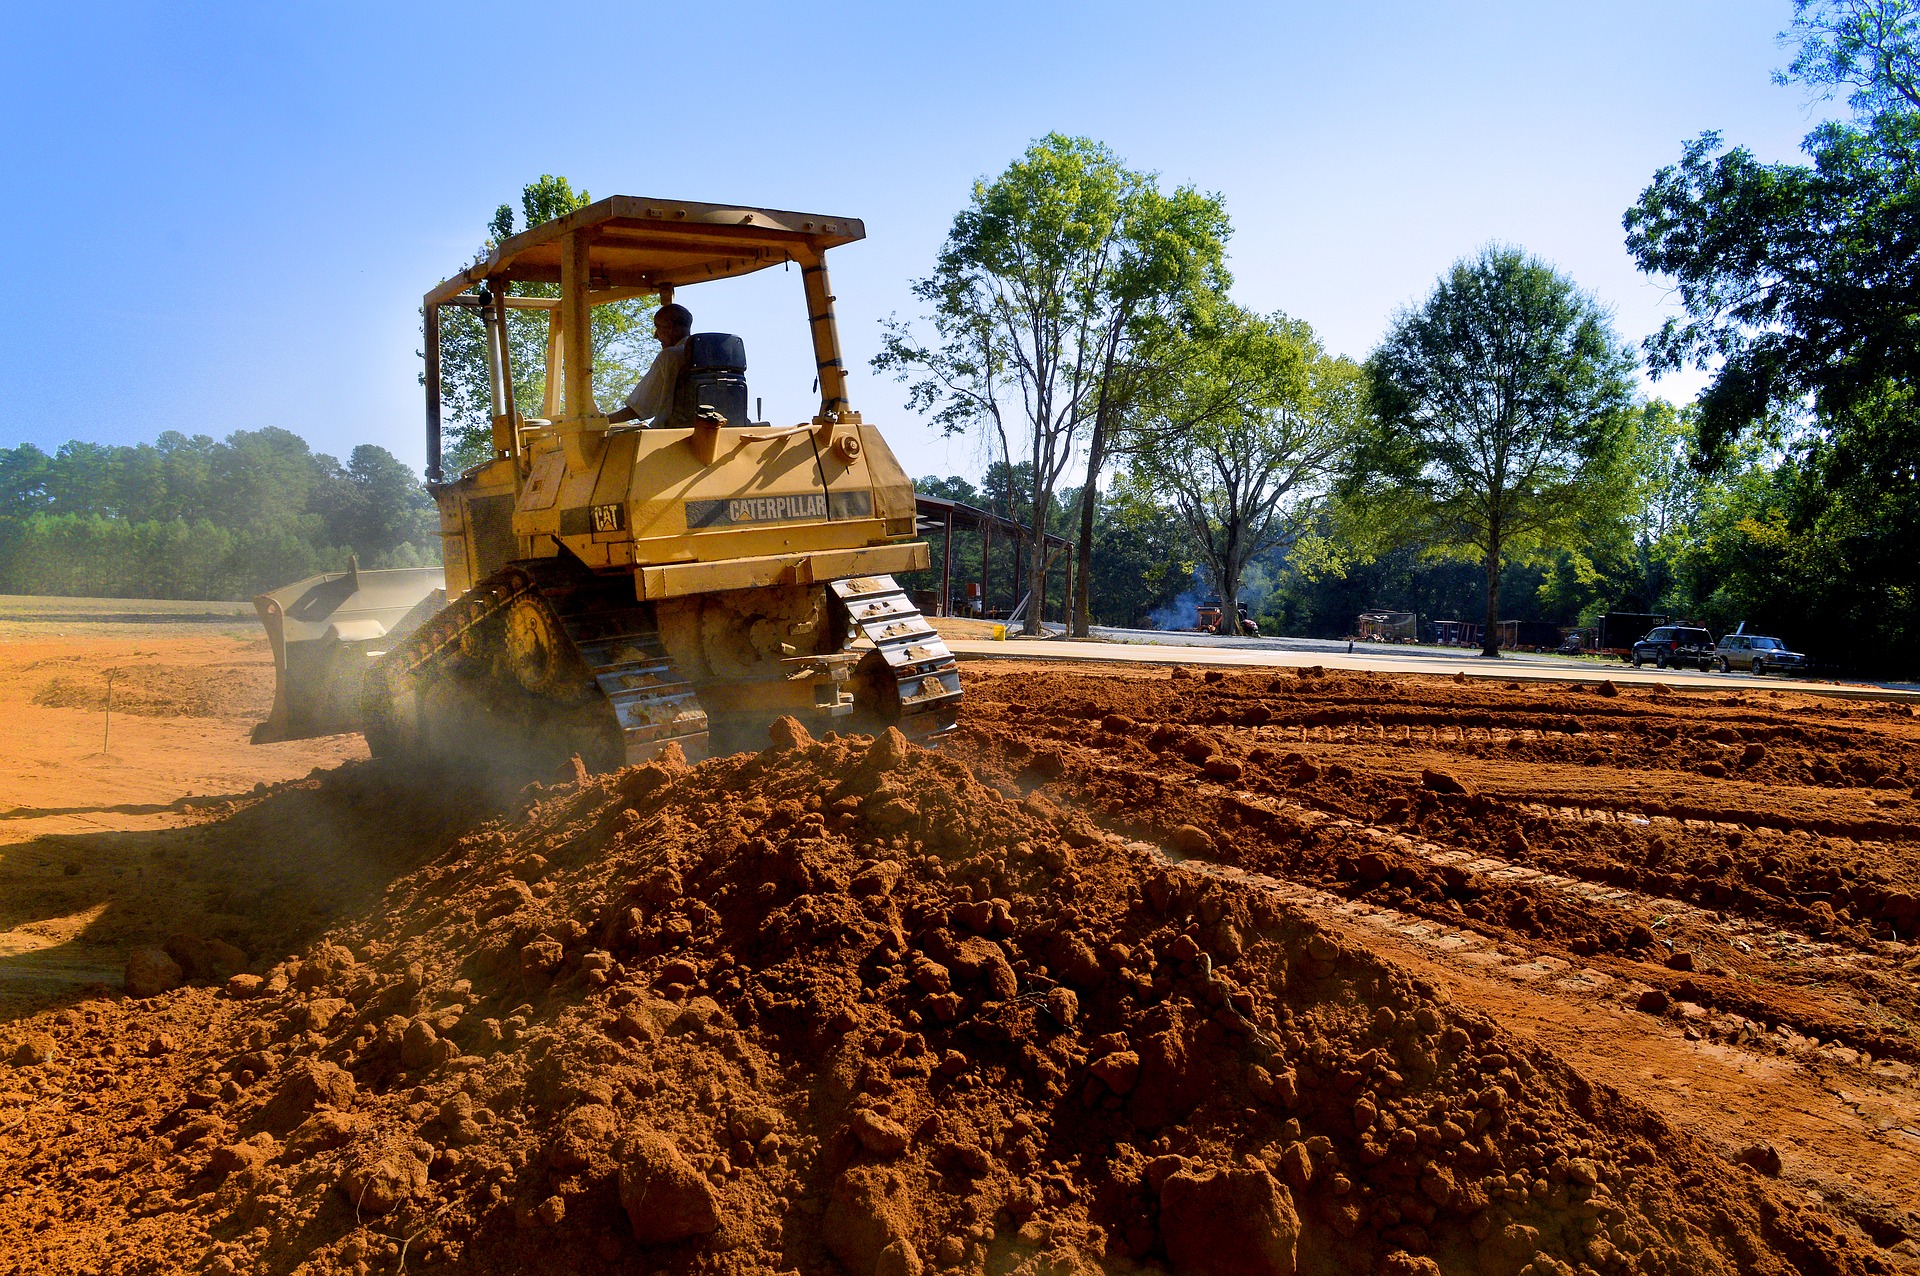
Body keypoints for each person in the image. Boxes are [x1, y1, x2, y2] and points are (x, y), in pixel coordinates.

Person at [607, 303, 692, 425]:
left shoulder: (669, 356)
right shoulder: (710, 356)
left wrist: (603, 420)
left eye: (657, 327)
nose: (655, 335)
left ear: (669, 328)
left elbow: (640, 408)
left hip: (668, 435)